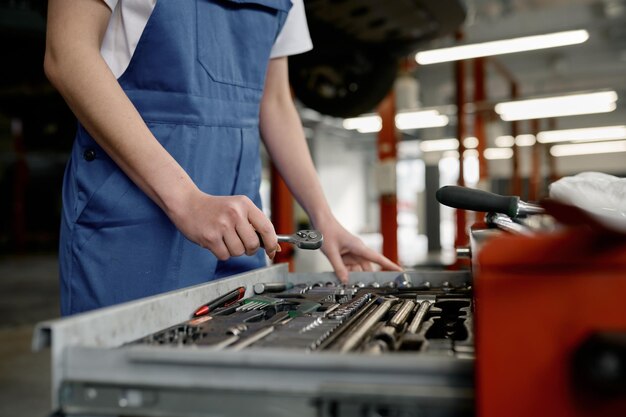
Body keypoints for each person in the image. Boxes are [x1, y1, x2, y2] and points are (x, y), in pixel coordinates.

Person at [44, 0, 402, 316]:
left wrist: (324, 220)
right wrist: (186, 199)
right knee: (125, 378)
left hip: (237, 225)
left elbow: (274, 101)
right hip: (133, 216)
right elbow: (69, 54)